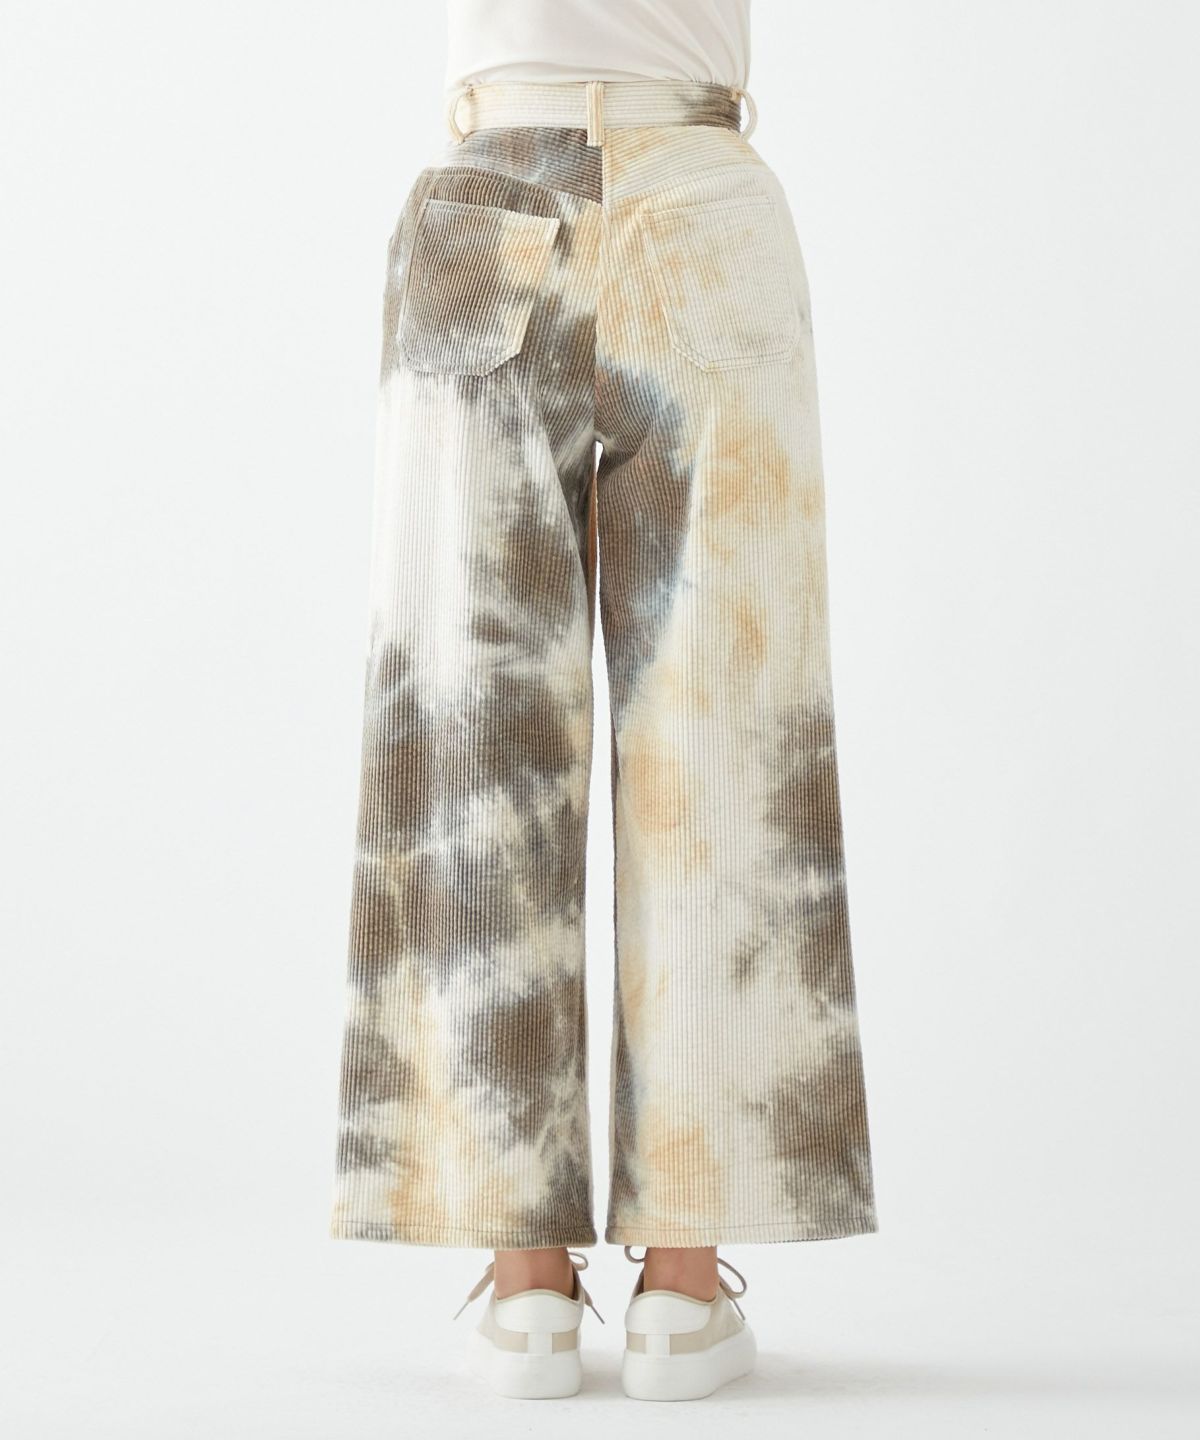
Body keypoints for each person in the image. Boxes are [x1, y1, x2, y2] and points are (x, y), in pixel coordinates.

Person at [330, 0, 879, 1401]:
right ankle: (682, 1298)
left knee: (472, 741)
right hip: (700, 200)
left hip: (487, 200)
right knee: (727, 735)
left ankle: (526, 1291)